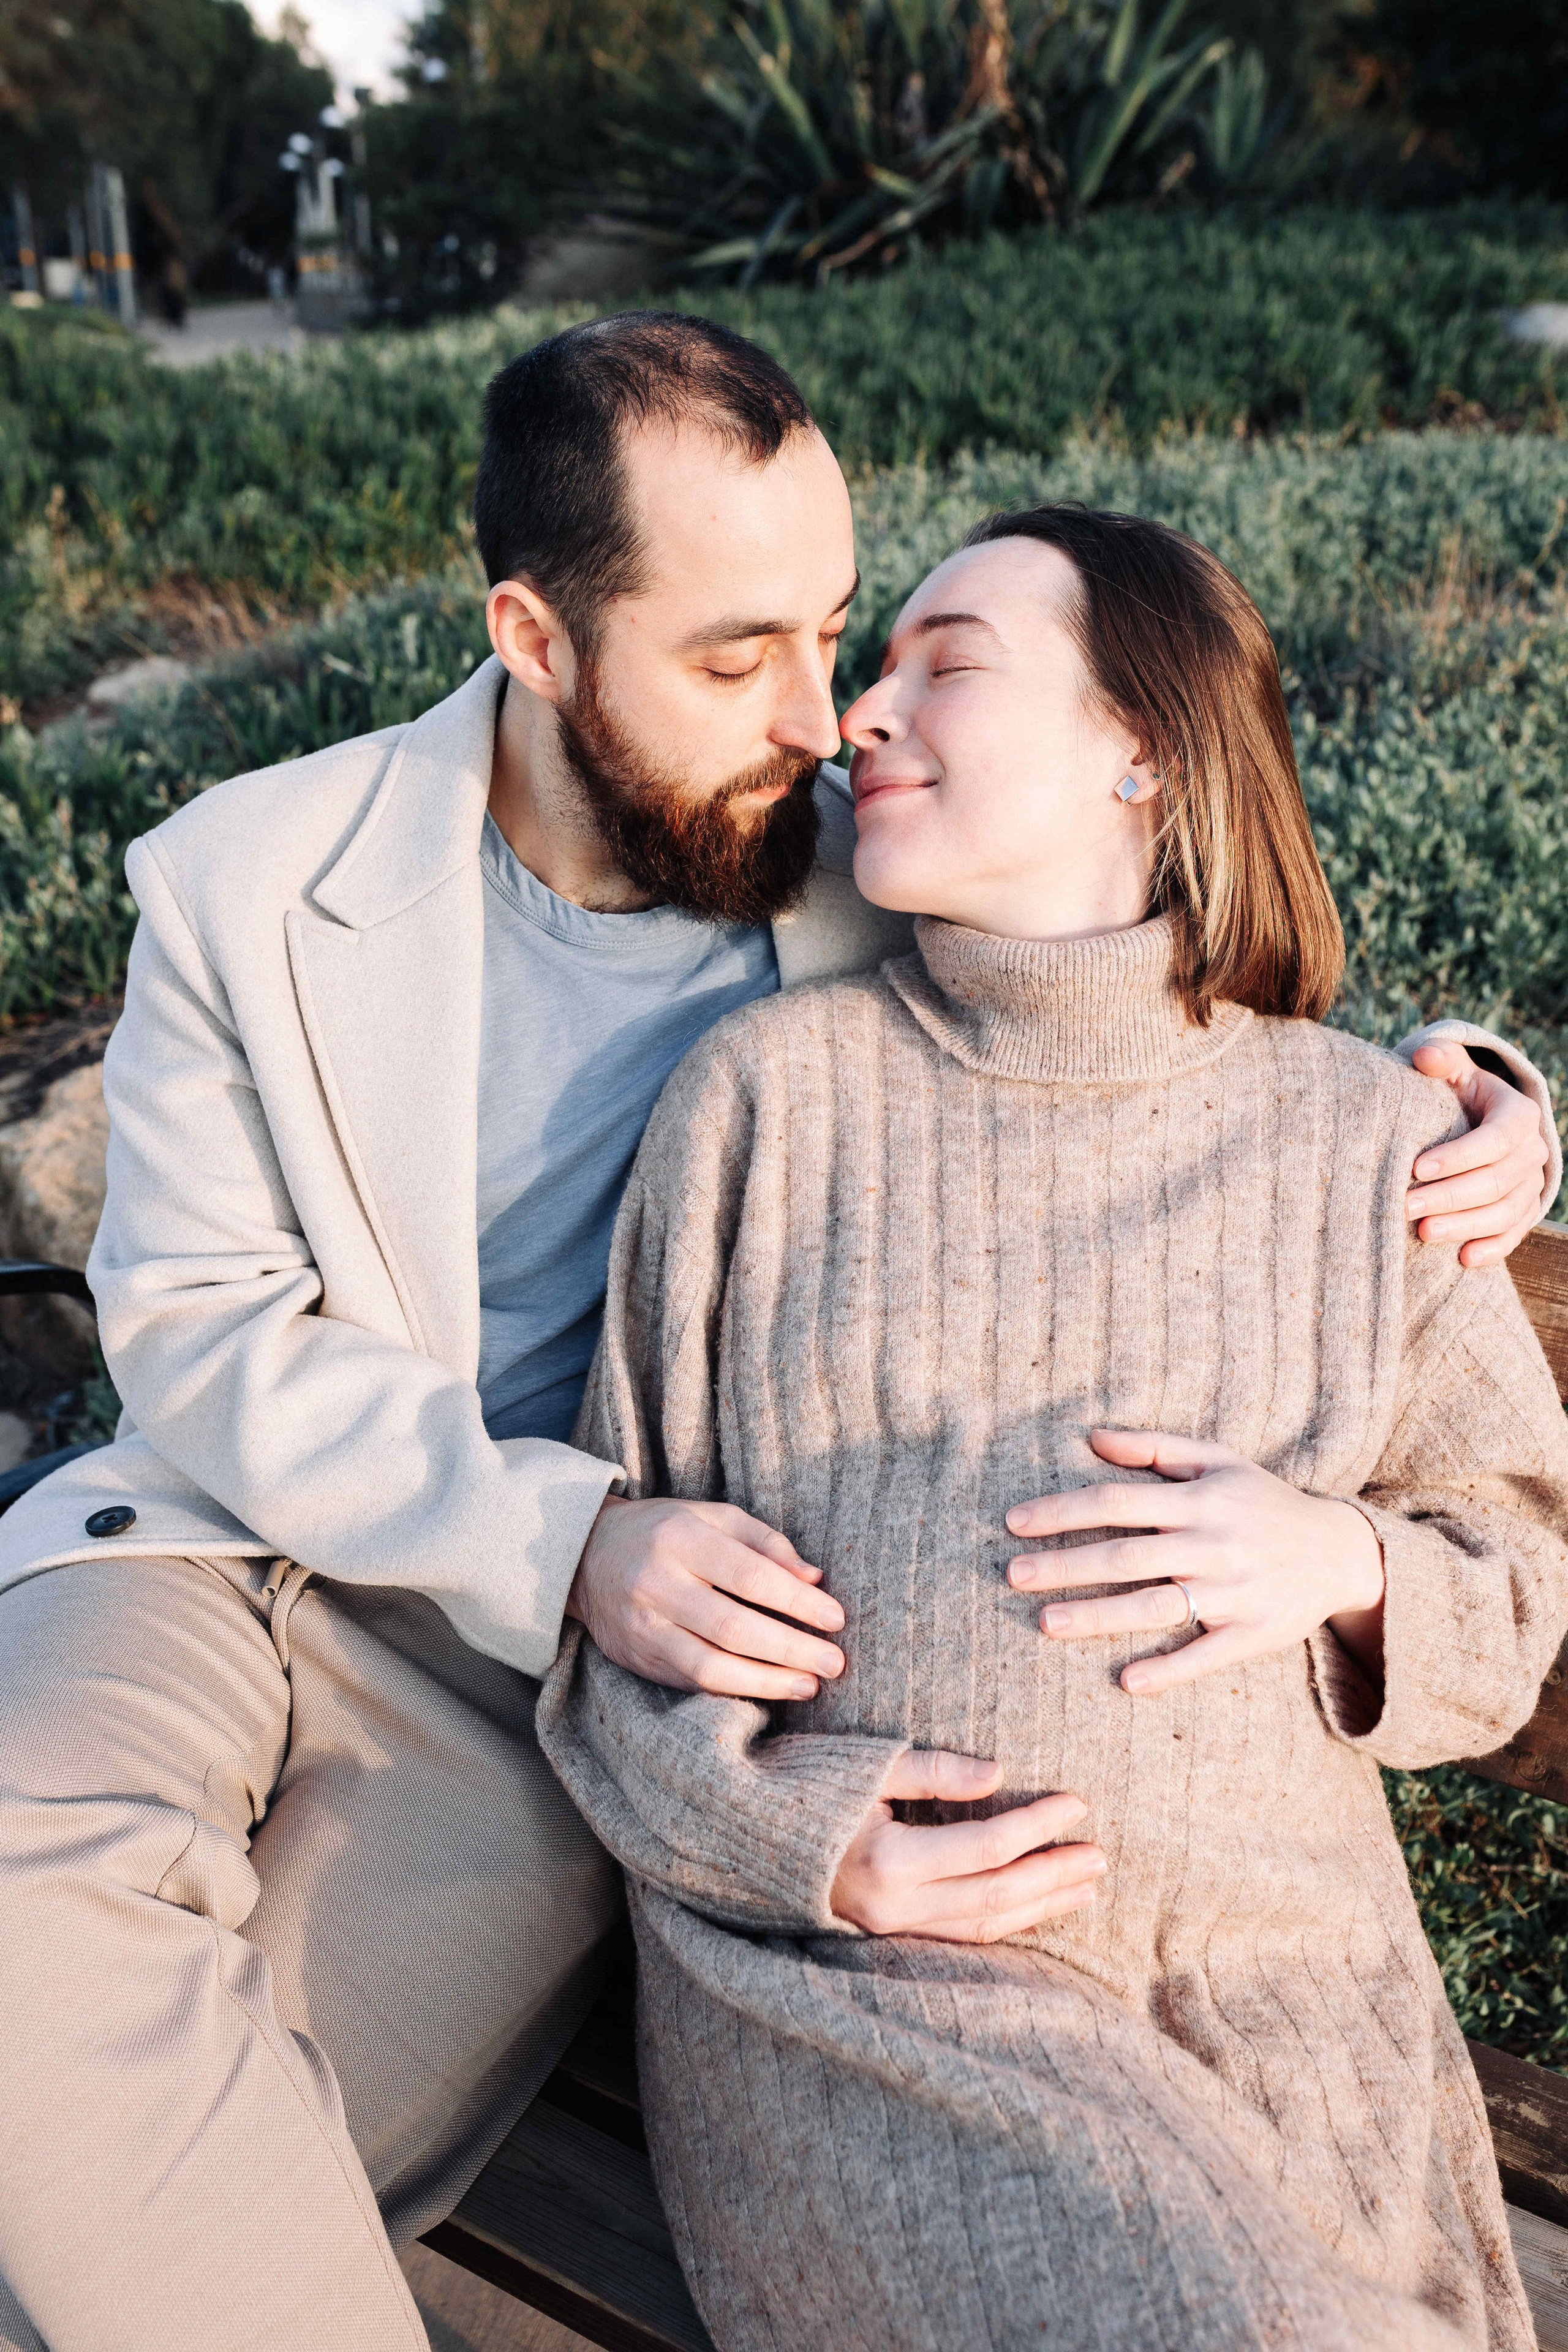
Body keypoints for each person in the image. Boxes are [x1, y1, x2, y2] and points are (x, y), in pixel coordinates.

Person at [0, 318, 1552, 2352]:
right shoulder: (253, 877)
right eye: (744, 658)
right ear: (537, 640)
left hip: (535, 1682)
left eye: (843, 632)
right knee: (29, 1885)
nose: (826, 718)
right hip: (240, 1547)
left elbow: (1159, 983)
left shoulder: (856, 862)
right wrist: (574, 1539)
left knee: (181, 2161)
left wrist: (1492, 1103)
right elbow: (201, 1333)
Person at [538, 504, 1568, 2351]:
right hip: (875, 1996)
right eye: (881, 664)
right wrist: (808, 1848)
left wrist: (1344, 1561)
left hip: (1283, 1994)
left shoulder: (1377, 1147)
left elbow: (1513, 1600)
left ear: (1143, 754)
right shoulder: (768, 1103)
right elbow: (617, 1641)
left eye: (948, 663)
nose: (859, 709)